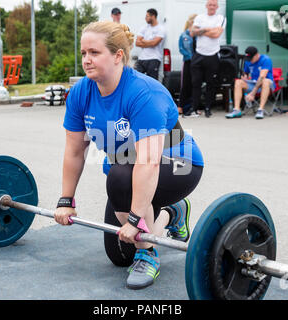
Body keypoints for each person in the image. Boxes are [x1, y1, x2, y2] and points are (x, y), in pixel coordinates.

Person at [54, 21, 204, 290]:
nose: (86, 60)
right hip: (130, 170)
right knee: (119, 255)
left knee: (121, 177)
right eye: (83, 53)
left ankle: (148, 254)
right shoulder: (80, 93)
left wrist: (135, 220)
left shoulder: (143, 93)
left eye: (94, 53)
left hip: (178, 164)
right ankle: (173, 213)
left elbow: (147, 161)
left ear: (118, 56)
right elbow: (75, 150)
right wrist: (66, 200)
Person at [187, 0, 225, 118]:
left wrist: (201, 30)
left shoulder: (220, 18)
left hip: (212, 55)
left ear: (217, 7)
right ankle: (194, 108)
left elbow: (217, 34)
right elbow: (192, 33)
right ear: (206, 6)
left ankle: (208, 108)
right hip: (199, 54)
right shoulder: (199, 17)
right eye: (210, 4)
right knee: (196, 83)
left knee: (210, 84)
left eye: (214, 5)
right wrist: (210, 29)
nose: (211, 7)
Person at [225, 46, 275, 120]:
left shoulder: (265, 59)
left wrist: (252, 93)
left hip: (266, 85)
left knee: (265, 81)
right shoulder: (248, 61)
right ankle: (236, 110)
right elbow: (246, 73)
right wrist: (244, 77)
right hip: (253, 83)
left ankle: (260, 110)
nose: (250, 60)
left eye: (251, 58)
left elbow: (262, 77)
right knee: (238, 82)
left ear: (257, 55)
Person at [135, 9, 166, 80]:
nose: (145, 18)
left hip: (154, 58)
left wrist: (143, 40)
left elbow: (154, 43)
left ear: (153, 16)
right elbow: (137, 43)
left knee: (152, 80)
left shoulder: (161, 29)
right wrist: (150, 42)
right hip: (142, 58)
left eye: (147, 16)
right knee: (136, 78)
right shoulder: (144, 28)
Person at [178, 14, 197, 116]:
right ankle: (180, 106)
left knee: (194, 84)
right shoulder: (183, 35)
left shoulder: (198, 35)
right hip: (187, 61)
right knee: (185, 84)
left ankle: (192, 107)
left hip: (196, 62)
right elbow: (181, 48)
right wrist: (190, 56)